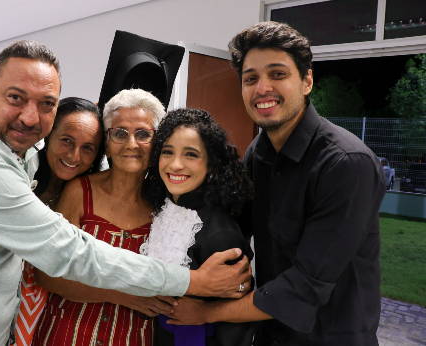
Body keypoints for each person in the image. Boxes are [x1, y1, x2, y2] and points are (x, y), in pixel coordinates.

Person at [0, 40, 252, 346]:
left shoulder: (171, 208)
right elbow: (67, 254)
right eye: (16, 97)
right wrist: (190, 282)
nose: (30, 116)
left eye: (46, 103)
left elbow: (236, 286)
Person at [166, 21, 386, 346]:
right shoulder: (261, 151)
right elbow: (229, 225)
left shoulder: (347, 164)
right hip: (270, 336)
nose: (262, 88)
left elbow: (304, 287)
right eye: (250, 78)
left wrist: (206, 312)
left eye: (278, 74)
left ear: (307, 81)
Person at [32, 89, 173, 346]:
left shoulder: (165, 207)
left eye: (143, 134)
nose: (131, 144)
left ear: (157, 142)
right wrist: (121, 295)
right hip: (66, 336)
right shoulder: (80, 191)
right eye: (120, 134)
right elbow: (47, 275)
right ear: (107, 144)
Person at [141, 108, 256, 346]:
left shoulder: (220, 233)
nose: (176, 164)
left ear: (212, 164)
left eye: (191, 155)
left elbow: (236, 329)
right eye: (167, 152)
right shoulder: (163, 208)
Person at [14, 97, 105, 346]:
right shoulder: (18, 181)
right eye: (67, 140)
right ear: (48, 137)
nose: (75, 156)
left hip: (50, 318)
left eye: (88, 147)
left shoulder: (90, 200)